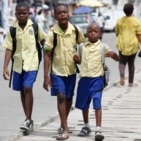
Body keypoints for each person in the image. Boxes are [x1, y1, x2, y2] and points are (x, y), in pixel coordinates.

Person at [43, 4, 85, 140]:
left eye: (64, 12)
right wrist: (45, 76)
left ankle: (63, 122)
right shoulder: (51, 33)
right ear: (54, 16)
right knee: (61, 96)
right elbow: (47, 55)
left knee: (68, 98)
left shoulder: (76, 31)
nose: (62, 14)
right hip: (57, 71)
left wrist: (80, 57)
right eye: (59, 13)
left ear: (69, 14)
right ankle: (65, 128)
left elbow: (83, 46)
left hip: (72, 71)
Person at [2, 2, 46, 131]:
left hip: (32, 63)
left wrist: (48, 55)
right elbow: (9, 49)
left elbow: (44, 41)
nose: (21, 15)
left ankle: (27, 119)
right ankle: (29, 119)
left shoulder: (36, 27)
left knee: (28, 87)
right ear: (15, 14)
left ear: (28, 13)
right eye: (19, 13)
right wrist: (5, 67)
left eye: (24, 13)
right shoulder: (12, 30)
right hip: (17, 64)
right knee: (22, 90)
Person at [73, 23, 119, 141]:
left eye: (95, 31)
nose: (93, 33)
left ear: (100, 34)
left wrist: (113, 55)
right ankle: (86, 125)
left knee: (97, 103)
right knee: (84, 104)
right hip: (84, 79)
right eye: (90, 31)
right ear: (86, 33)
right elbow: (78, 61)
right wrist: (76, 59)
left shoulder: (103, 46)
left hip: (97, 79)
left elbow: (116, 58)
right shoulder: (81, 46)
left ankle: (98, 129)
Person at [115, 3, 141, 87]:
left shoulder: (119, 21)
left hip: (122, 44)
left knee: (122, 62)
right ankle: (131, 83)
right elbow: (139, 35)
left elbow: (117, 33)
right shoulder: (136, 21)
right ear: (132, 10)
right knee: (131, 63)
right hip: (133, 44)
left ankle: (122, 76)